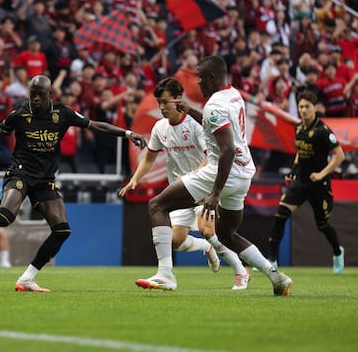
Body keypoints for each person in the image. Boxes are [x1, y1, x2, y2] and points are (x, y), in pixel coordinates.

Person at [0, 75, 147, 292]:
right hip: (20, 172)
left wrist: (127, 133)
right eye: (33, 94)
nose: (36, 99)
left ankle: (27, 278)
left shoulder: (62, 113)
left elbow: (95, 126)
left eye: (40, 95)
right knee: (5, 217)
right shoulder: (20, 113)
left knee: (62, 230)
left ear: (50, 95)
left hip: (45, 179)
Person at [133, 55, 293, 295]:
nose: (197, 82)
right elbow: (218, 129)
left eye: (200, 78)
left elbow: (227, 150)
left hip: (220, 172)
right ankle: (276, 276)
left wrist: (215, 193)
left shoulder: (213, 106)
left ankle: (165, 275)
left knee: (157, 205)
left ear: (211, 77)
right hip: (243, 174)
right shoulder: (234, 95)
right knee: (227, 235)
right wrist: (192, 112)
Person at [119, 78, 250, 290]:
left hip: (203, 185)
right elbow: (150, 158)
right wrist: (135, 179)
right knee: (175, 241)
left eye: (165, 102)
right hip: (180, 190)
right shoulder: (160, 127)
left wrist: (195, 176)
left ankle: (240, 271)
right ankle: (205, 248)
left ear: (178, 99)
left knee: (208, 230)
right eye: (159, 103)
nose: (161, 107)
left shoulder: (196, 125)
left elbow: (211, 157)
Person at [268, 91, 345, 274]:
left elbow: (339, 156)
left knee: (322, 225)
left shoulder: (323, 131)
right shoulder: (298, 128)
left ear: (315, 107)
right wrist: (293, 172)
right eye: (301, 106)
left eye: (307, 107)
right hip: (300, 182)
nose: (303, 110)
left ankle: (337, 251)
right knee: (280, 216)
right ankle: (271, 260)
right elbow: (300, 153)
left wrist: (321, 174)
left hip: (319, 185)